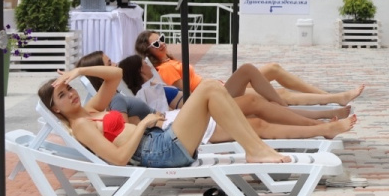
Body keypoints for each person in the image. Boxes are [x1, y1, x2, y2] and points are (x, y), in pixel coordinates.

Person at [39, 65, 293, 167]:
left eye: (69, 88)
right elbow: (118, 159)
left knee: (212, 89)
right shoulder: (82, 126)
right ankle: (255, 150)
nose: (71, 94)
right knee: (209, 89)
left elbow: (115, 74)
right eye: (62, 95)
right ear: (56, 109)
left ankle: (256, 149)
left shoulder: (91, 109)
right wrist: (143, 125)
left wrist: (80, 70)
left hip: (160, 140)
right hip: (157, 151)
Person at [134, 30, 364, 107]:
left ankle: (327, 97)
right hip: (216, 94)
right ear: (148, 51)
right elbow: (188, 96)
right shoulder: (166, 69)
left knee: (273, 68)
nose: (162, 43)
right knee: (278, 93)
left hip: (219, 87)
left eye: (162, 39)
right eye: (156, 44)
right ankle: (334, 98)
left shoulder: (169, 62)